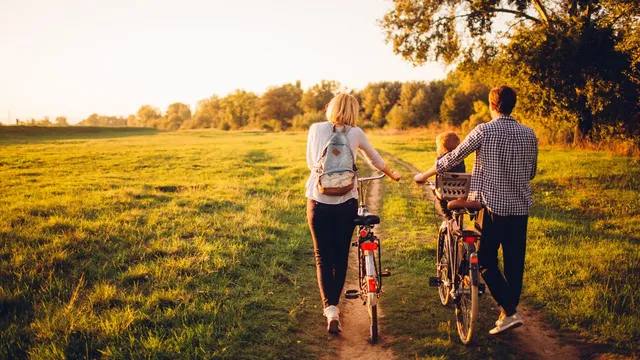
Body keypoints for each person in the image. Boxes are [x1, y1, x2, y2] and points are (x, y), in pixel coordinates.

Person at [413, 86, 538, 335]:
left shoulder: (484, 130)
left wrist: (424, 175)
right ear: (513, 105)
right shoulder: (529, 133)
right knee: (514, 264)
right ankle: (507, 311)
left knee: (485, 260)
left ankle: (509, 310)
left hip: (491, 207)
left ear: (491, 105)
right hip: (520, 208)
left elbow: (450, 158)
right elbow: (532, 172)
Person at [306, 93, 401, 334]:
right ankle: (336, 304)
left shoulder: (316, 129)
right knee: (340, 257)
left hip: (318, 200)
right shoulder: (356, 133)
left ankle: (331, 311)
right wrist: (393, 175)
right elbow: (376, 160)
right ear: (354, 111)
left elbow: (311, 163)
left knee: (322, 257)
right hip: (346, 202)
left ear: (331, 108)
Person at [414, 131, 466, 220]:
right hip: (460, 191)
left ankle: (447, 216)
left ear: (443, 148)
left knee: (440, 197)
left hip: (445, 190)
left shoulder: (441, 160)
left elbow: (438, 171)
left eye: (437, 146)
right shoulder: (461, 160)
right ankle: (457, 217)